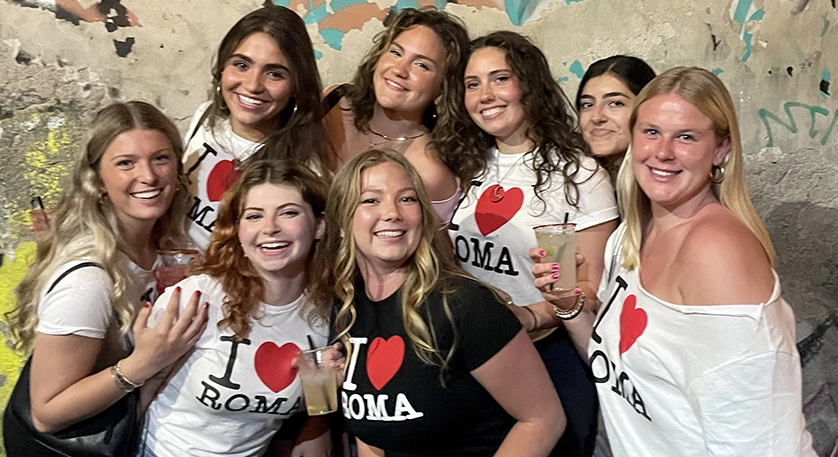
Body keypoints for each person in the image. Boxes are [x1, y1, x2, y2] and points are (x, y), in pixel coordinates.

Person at [534, 67, 817, 457]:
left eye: (685, 137)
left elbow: (761, 445)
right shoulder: (630, 238)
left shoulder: (718, 255)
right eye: (651, 132)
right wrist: (571, 309)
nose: (663, 152)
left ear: (721, 149)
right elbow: (612, 369)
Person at [310, 149, 565, 456]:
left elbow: (542, 419)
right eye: (370, 200)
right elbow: (373, 437)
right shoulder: (347, 309)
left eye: (407, 199)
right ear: (341, 222)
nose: (393, 213)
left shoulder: (464, 304)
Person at [450, 31, 619, 457]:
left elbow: (591, 287)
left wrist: (527, 316)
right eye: (472, 84)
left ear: (528, 84)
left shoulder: (579, 174)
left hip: (549, 356)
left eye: (500, 78)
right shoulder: (464, 163)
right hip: (473, 359)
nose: (485, 95)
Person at [5, 101, 208, 445]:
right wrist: (141, 365)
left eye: (160, 158)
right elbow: (46, 413)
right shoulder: (87, 281)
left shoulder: (166, 248)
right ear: (98, 180)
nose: (148, 176)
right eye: (126, 163)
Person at [140, 160, 332, 457]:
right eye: (254, 216)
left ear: (319, 225)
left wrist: (320, 407)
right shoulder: (196, 298)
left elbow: (315, 403)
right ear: (238, 231)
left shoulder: (327, 311)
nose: (270, 228)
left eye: (289, 213)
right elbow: (139, 395)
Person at [184, 4, 331, 249]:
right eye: (241, 65)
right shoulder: (205, 116)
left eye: (274, 74)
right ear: (222, 68)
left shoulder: (303, 169)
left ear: (296, 86)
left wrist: (196, 272)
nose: (253, 85)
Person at [322, 7, 469, 223]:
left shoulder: (429, 173)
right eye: (396, 52)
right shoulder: (332, 102)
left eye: (421, 65)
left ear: (443, 89)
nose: (400, 69)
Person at [575, 56, 656, 184]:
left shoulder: (663, 181)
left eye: (615, 103)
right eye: (588, 104)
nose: (596, 117)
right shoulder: (568, 176)